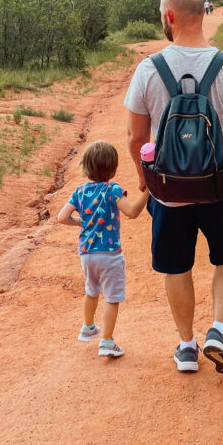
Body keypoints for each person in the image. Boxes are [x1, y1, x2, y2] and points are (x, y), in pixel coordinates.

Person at [125, 0, 223, 374]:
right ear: (203, 13)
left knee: (176, 266)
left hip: (169, 192)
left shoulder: (148, 70)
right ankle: (218, 329)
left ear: (168, 17)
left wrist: (144, 179)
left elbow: (136, 136)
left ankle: (186, 347)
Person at [56, 140, 149, 358]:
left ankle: (88, 328)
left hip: (87, 254)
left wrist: (81, 222)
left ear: (86, 166)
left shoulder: (80, 191)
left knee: (92, 290)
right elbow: (132, 212)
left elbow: (62, 218)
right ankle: (107, 341)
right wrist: (149, 191)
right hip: (109, 255)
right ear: (113, 167)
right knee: (112, 297)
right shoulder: (113, 190)